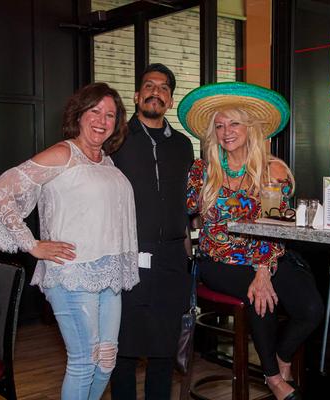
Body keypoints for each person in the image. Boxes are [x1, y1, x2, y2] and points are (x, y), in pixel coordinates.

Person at [0, 82, 139, 400]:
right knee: (83, 363)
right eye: (95, 111)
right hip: (72, 274)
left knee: (105, 362)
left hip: (108, 274)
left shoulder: (106, 160)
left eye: (110, 114)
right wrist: (32, 244)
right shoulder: (64, 153)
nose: (102, 120)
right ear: (79, 115)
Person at [178, 82, 324, 400]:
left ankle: (283, 356)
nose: (226, 131)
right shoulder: (202, 171)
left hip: (269, 254)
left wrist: (262, 268)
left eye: (234, 123)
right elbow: (185, 213)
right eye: (219, 125)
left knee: (311, 308)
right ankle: (272, 377)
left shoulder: (272, 170)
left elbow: (276, 226)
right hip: (218, 259)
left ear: (250, 128)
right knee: (262, 301)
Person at [110, 63, 194, 400]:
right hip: (128, 254)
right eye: (149, 85)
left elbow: (188, 204)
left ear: (170, 100)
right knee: (124, 348)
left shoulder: (184, 146)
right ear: (136, 95)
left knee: (164, 349)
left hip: (173, 258)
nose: (155, 91)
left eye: (163, 88)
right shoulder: (116, 141)